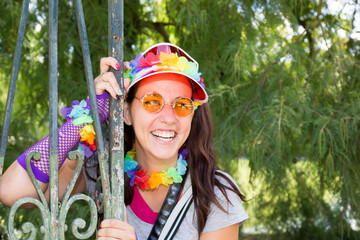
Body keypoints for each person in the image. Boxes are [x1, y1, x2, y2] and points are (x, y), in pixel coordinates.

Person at [0, 43, 248, 239]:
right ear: (126, 113)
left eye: (182, 105)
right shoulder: (100, 171)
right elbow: (12, 191)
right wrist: (91, 111)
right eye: (152, 101)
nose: (169, 118)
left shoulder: (214, 193)